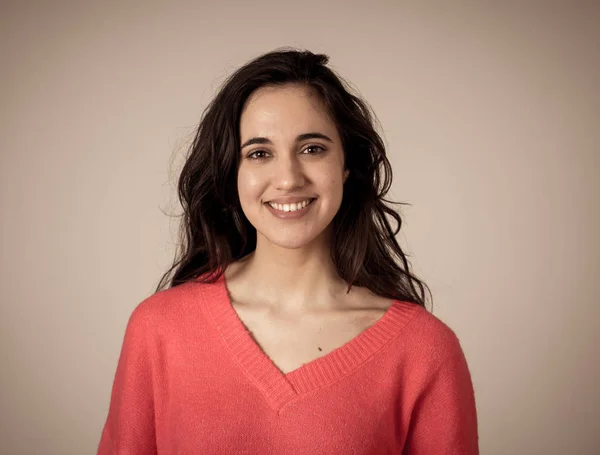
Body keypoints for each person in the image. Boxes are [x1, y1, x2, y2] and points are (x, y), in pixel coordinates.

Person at [97, 48, 478, 454]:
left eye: (312, 148)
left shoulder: (423, 350)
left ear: (347, 166)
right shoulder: (159, 329)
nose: (288, 178)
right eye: (260, 153)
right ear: (232, 174)